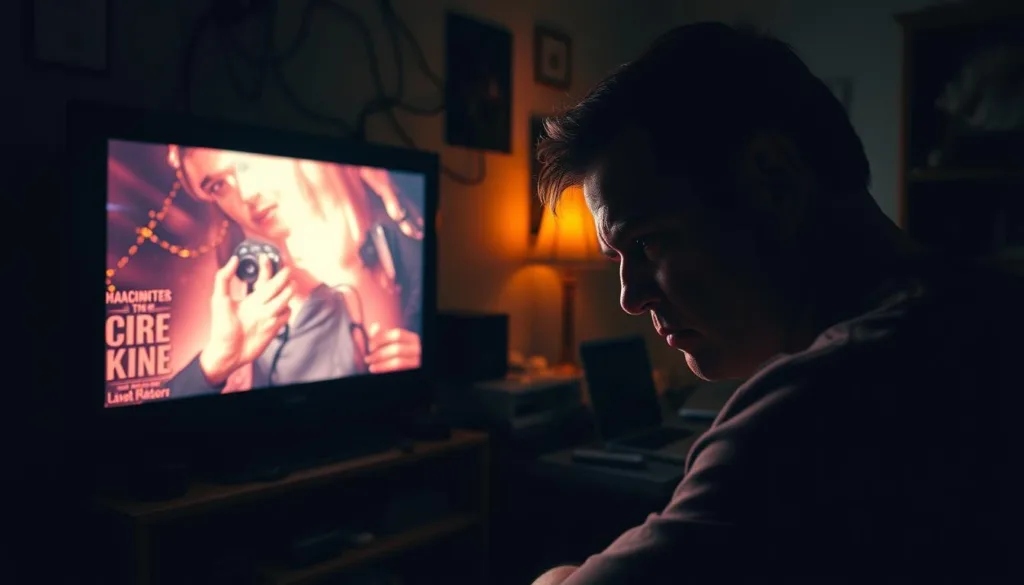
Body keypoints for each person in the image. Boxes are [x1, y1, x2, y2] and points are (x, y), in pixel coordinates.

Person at [531, 23, 1024, 583]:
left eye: (646, 243)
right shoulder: (989, 307)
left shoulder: (822, 407)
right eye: (617, 258)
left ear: (774, 182)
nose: (630, 297)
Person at [165, 146, 423, 396]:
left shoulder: (404, 246)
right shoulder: (246, 307)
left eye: (247, 164)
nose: (246, 193)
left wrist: (421, 368)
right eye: (218, 186)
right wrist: (213, 366)